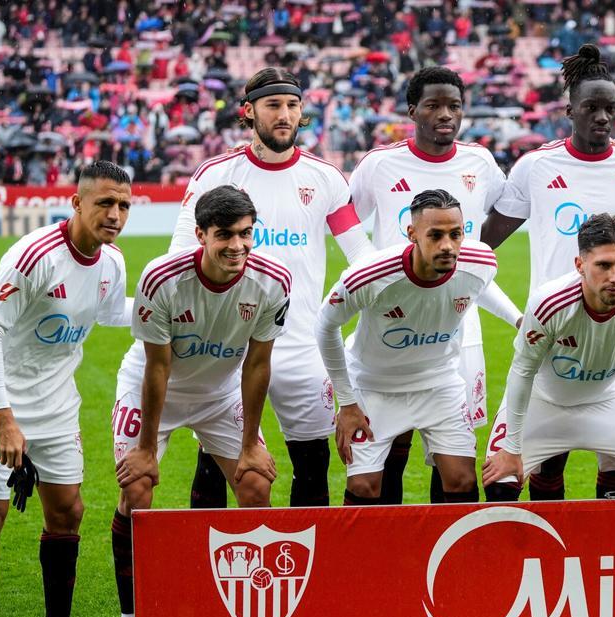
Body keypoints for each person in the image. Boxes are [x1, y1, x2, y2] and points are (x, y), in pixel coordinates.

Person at [0, 161, 131, 617]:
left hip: (56, 405)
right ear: (77, 203)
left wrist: (174, 302)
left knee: (67, 512)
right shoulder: (33, 257)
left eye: (123, 205)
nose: (114, 214)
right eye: (104, 203)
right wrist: (2, 417)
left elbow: (115, 313)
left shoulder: (112, 262)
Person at [174, 67, 375, 510]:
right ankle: (209, 575)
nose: (284, 115)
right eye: (273, 105)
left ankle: (310, 571)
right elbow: (179, 257)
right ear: (248, 112)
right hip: (229, 347)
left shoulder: (326, 178)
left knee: (312, 464)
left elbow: (360, 257)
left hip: (303, 346)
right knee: (214, 464)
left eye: (292, 105)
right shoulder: (215, 174)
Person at [108, 186, 288, 617]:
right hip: (154, 391)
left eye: (246, 234)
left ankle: (250, 612)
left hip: (220, 393)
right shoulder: (161, 278)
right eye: (225, 235)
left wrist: (251, 442)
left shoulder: (274, 281)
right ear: (201, 234)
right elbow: (157, 367)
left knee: (255, 485)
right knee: (138, 489)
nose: (237, 246)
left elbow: (257, 364)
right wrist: (145, 447)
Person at [481, 43, 615, 500]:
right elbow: (485, 244)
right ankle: (551, 554)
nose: (602, 117)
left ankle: (605, 560)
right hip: (553, 327)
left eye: (610, 109)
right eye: (591, 108)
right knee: (547, 461)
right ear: (570, 110)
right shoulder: (537, 167)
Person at [349, 66, 522, 504]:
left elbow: (502, 211)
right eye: (433, 105)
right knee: (393, 445)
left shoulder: (479, 161)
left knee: (449, 457)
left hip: (460, 328)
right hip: (393, 325)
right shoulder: (380, 164)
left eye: (454, 106)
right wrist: (368, 272)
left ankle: (441, 555)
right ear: (413, 111)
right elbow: (347, 221)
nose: (445, 114)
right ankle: (393, 552)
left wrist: (476, 258)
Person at [316, 189, 498, 505]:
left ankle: (450, 554)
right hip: (374, 388)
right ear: (412, 233)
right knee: (364, 488)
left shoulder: (481, 262)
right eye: (436, 235)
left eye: (455, 234)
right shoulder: (369, 275)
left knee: (462, 479)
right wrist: (346, 403)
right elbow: (325, 325)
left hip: (439, 385)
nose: (447, 245)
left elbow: (475, 290)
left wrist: (517, 318)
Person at [481, 214, 615, 496]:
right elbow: (522, 371)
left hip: (607, 400)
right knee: (500, 484)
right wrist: (511, 448)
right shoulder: (549, 302)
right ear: (580, 265)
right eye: (603, 265)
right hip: (544, 402)